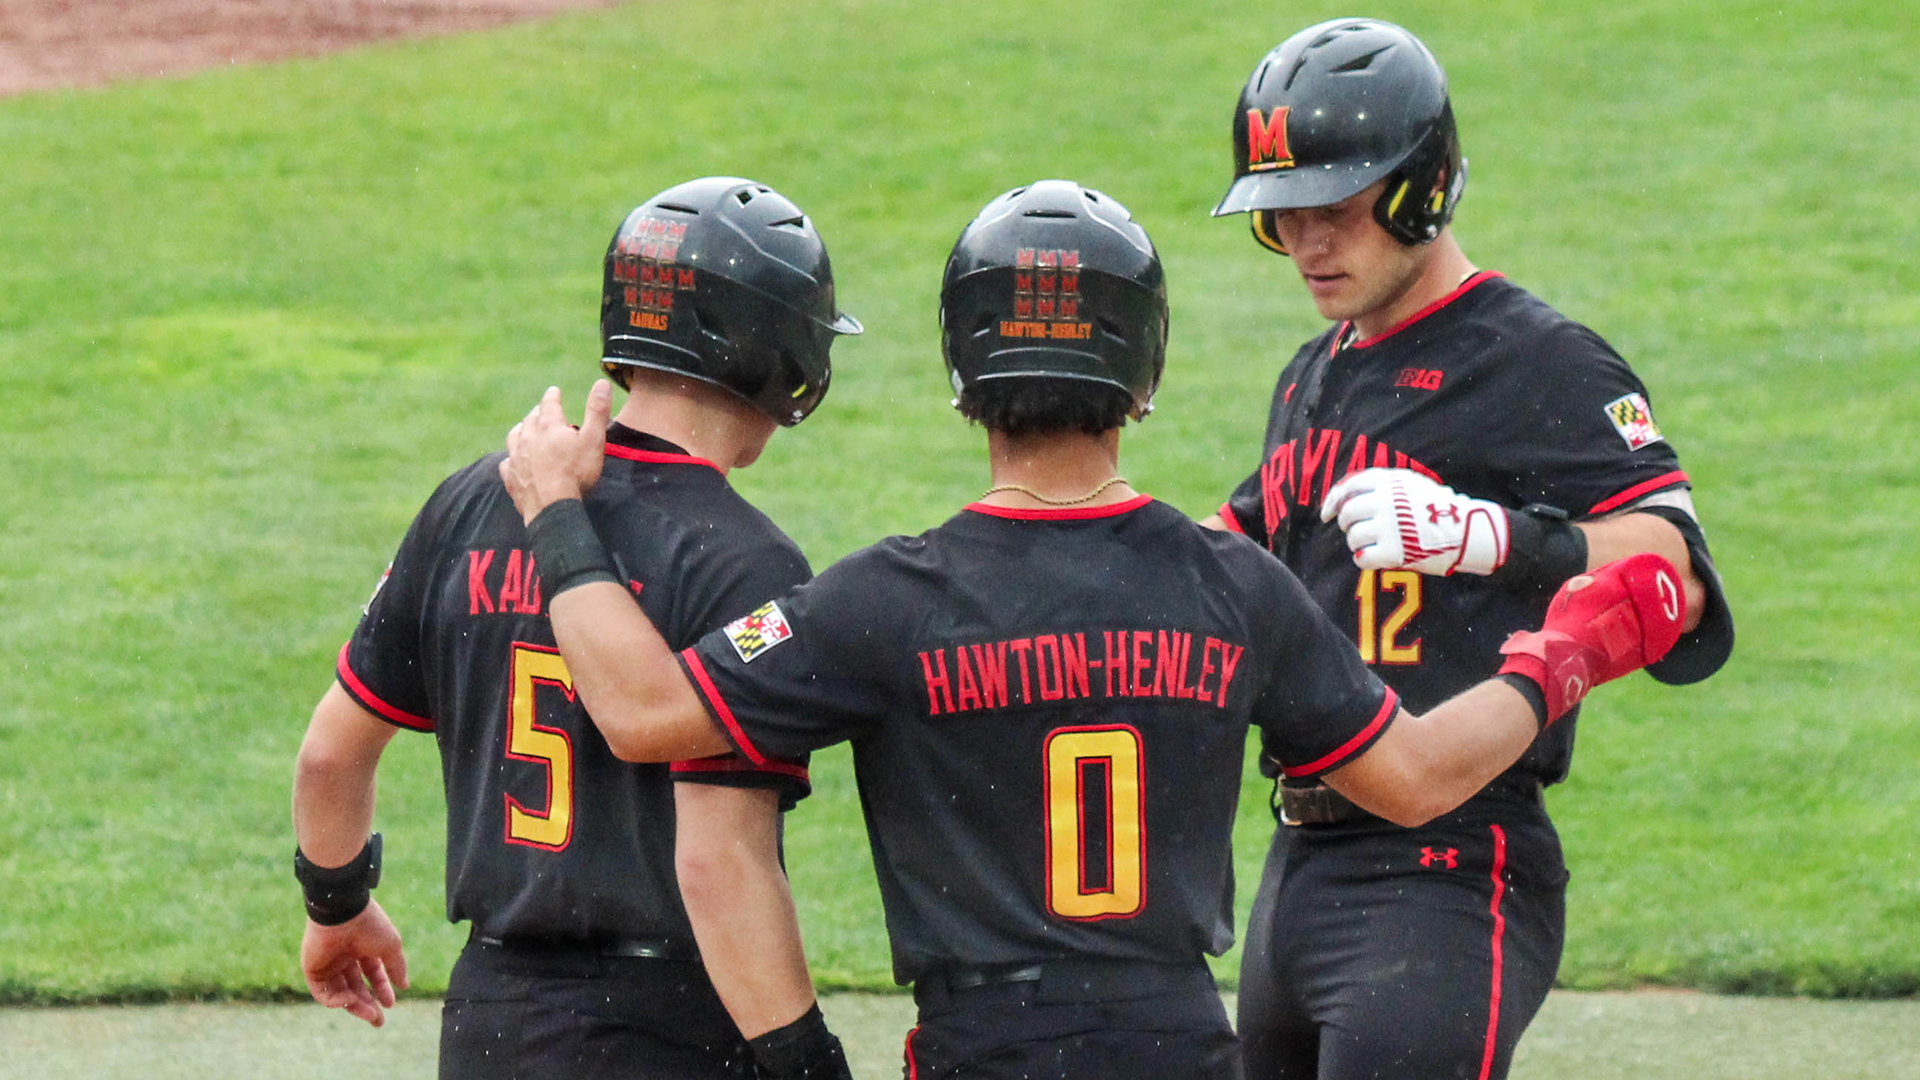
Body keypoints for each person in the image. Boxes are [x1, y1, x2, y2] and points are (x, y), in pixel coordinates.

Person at [496, 179, 1691, 1080]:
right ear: (1144, 372)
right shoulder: (1231, 586)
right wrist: (1563, 657)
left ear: (964, 375)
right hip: (1176, 1041)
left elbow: (644, 715)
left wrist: (559, 515)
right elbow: (1420, 778)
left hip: (981, 1048)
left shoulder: (880, 602)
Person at [1205, 18, 1736, 1080]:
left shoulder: (1541, 358)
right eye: (1283, 221)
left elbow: (1671, 567)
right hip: (1298, 860)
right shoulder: (1315, 367)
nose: (1308, 246)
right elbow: (1247, 555)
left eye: (1336, 213)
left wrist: (1493, 538)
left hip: (1449, 867)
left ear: (1421, 187)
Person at [290, 176, 862, 1080]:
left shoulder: (474, 502)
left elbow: (331, 754)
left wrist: (337, 906)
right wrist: (798, 1059)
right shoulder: (745, 564)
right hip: (661, 1031)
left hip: (491, 1021)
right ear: (775, 346)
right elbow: (721, 868)